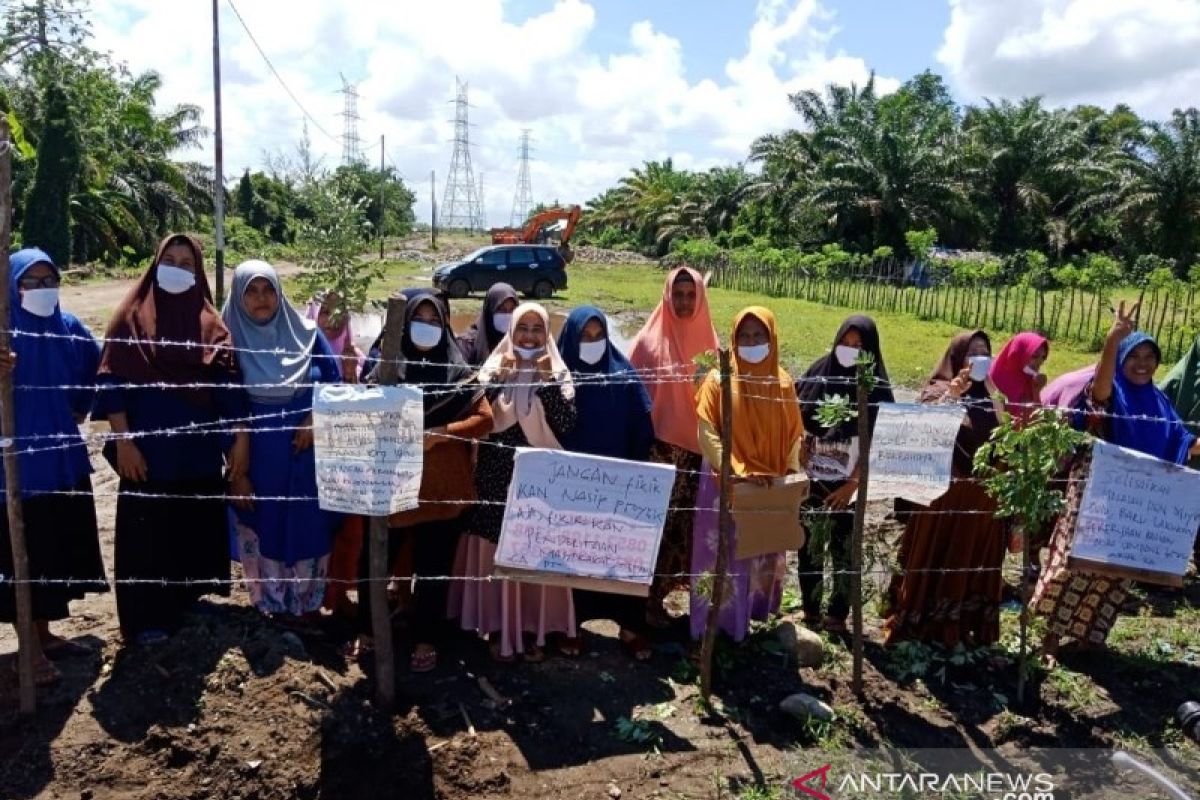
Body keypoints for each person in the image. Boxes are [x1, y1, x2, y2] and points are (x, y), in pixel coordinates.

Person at [94, 234, 248, 646]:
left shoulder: (211, 324)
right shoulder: (129, 319)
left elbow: (228, 386)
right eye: (170, 259)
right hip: (147, 454)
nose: (177, 268)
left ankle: (186, 600)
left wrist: (239, 439)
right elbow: (112, 383)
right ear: (154, 264)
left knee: (190, 526)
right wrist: (124, 441)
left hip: (197, 453)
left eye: (186, 263)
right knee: (148, 534)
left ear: (198, 272)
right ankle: (146, 619)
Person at [1032, 303, 1200, 664]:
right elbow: (1100, 392)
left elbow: (1182, 442)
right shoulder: (1114, 392)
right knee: (1075, 566)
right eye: (1133, 355)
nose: (1142, 363)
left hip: (1136, 505)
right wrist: (1112, 340)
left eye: (1150, 356)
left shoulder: (1159, 401)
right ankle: (1048, 640)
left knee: (1117, 574)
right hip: (1096, 494)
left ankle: (1089, 640)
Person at [353, 291, 493, 672]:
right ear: (402, 322)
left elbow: (485, 418)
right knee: (373, 562)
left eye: (435, 321)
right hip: (391, 487)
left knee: (433, 568)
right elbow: (358, 417)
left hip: (440, 490)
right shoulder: (384, 367)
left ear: (446, 326)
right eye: (420, 319)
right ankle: (368, 630)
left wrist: (442, 433)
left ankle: (425, 638)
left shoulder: (457, 369)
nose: (427, 328)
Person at [0, 248, 107, 686]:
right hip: (14, 472)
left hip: (61, 464)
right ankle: (28, 649)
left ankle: (44, 635)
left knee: (53, 552)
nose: (43, 291)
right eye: (31, 283)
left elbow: (93, 382)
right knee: (21, 557)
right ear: (11, 287)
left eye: (50, 282)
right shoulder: (3, 337)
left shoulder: (70, 330)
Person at [449, 302, 577, 662]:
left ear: (547, 334)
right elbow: (475, 415)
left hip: (539, 477)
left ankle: (532, 625)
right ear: (512, 331)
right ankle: (496, 624)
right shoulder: (493, 365)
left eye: (538, 329)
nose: (530, 336)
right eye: (524, 328)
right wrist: (498, 380)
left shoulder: (558, 371)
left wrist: (547, 381)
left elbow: (566, 425)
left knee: (534, 546)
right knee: (496, 545)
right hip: (494, 473)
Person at [222, 261, 341, 621]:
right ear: (238, 297)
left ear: (280, 293)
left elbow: (334, 384)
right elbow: (222, 404)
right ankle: (269, 604)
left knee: (308, 523)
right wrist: (236, 469)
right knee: (264, 521)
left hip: (308, 459)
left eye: (268, 289)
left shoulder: (307, 333)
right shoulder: (227, 341)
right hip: (257, 460)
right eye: (252, 291)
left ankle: (307, 603)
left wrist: (314, 417)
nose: (262, 299)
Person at [884, 330, 1009, 646]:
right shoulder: (939, 388)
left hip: (980, 500)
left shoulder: (990, 395)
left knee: (969, 559)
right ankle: (919, 619)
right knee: (934, 557)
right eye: (972, 352)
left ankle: (961, 624)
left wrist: (992, 388)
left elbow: (1004, 432)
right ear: (957, 356)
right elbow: (923, 428)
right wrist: (954, 394)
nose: (979, 357)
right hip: (943, 498)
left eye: (985, 352)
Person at [690, 307, 803, 642]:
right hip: (723, 485)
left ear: (772, 338)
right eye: (745, 336)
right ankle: (714, 628)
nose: (752, 342)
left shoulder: (782, 383)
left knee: (757, 555)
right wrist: (736, 472)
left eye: (759, 336)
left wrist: (789, 473)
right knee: (722, 556)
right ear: (733, 340)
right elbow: (707, 431)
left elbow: (794, 433)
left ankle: (748, 620)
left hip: (768, 486)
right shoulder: (718, 380)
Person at [557, 305, 656, 659]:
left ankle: (630, 626)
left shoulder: (621, 371)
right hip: (568, 485)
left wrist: (631, 471)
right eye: (586, 336)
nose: (593, 342)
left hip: (617, 485)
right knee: (572, 556)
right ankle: (570, 625)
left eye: (599, 336)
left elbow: (643, 427)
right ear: (571, 337)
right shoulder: (557, 375)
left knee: (620, 555)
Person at [628, 267, 719, 625]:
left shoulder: (711, 348)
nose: (683, 302)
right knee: (651, 529)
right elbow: (631, 397)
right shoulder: (647, 343)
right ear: (667, 296)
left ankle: (661, 600)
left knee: (685, 531)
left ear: (700, 298)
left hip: (699, 455)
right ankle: (637, 607)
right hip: (658, 453)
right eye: (677, 295)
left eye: (690, 295)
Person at [796, 315, 893, 632]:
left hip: (848, 487)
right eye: (845, 343)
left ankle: (837, 614)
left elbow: (880, 442)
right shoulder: (818, 373)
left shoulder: (874, 387)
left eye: (859, 346)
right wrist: (800, 449)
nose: (850, 351)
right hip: (812, 482)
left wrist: (853, 484)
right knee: (808, 548)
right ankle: (810, 610)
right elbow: (797, 416)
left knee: (843, 551)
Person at [987, 332, 1049, 424]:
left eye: (1043, 358)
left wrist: (1036, 391)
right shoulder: (994, 380)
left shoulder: (1029, 381)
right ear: (1018, 354)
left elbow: (1037, 423)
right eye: (1034, 356)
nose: (1040, 362)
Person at [457, 283, 519, 367]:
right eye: (501, 309)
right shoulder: (467, 343)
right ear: (490, 310)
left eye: (512, 310)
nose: (507, 315)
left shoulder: (521, 342)